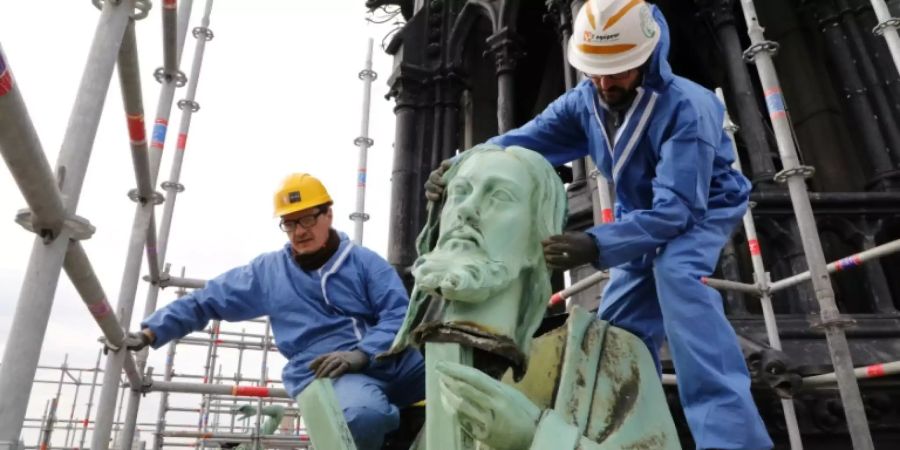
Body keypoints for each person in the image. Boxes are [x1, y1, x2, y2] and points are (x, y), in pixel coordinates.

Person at [425, 1, 772, 449]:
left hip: (698, 209)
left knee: (677, 276)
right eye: (596, 71)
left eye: (618, 70)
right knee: (613, 326)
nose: (605, 83)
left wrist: (594, 243)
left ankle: (733, 439)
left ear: (646, 57)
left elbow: (676, 211)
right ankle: (624, 421)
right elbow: (522, 142)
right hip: (637, 216)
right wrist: (462, 163)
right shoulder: (586, 101)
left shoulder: (688, 108)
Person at [122, 173, 426, 450]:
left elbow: (399, 314)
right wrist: (152, 331)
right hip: (328, 372)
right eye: (289, 223)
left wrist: (364, 352)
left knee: (459, 371)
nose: (298, 231)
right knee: (361, 416)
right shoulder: (269, 272)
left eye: (306, 219)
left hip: (390, 358)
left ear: (328, 214)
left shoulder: (363, 262)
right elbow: (209, 299)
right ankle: (390, 430)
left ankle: (405, 417)